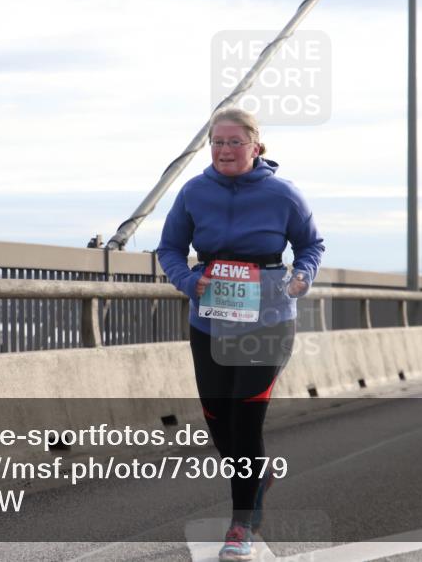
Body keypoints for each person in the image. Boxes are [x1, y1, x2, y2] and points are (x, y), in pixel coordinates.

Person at [156, 107, 324, 561]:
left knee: (246, 421)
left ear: (256, 146)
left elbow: (311, 244)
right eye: (217, 142)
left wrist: (302, 276)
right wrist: (190, 283)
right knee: (219, 421)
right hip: (210, 319)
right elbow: (169, 248)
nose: (224, 150)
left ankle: (241, 525)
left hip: (268, 319)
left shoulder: (283, 194)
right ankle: (256, 474)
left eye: (234, 142)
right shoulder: (193, 192)